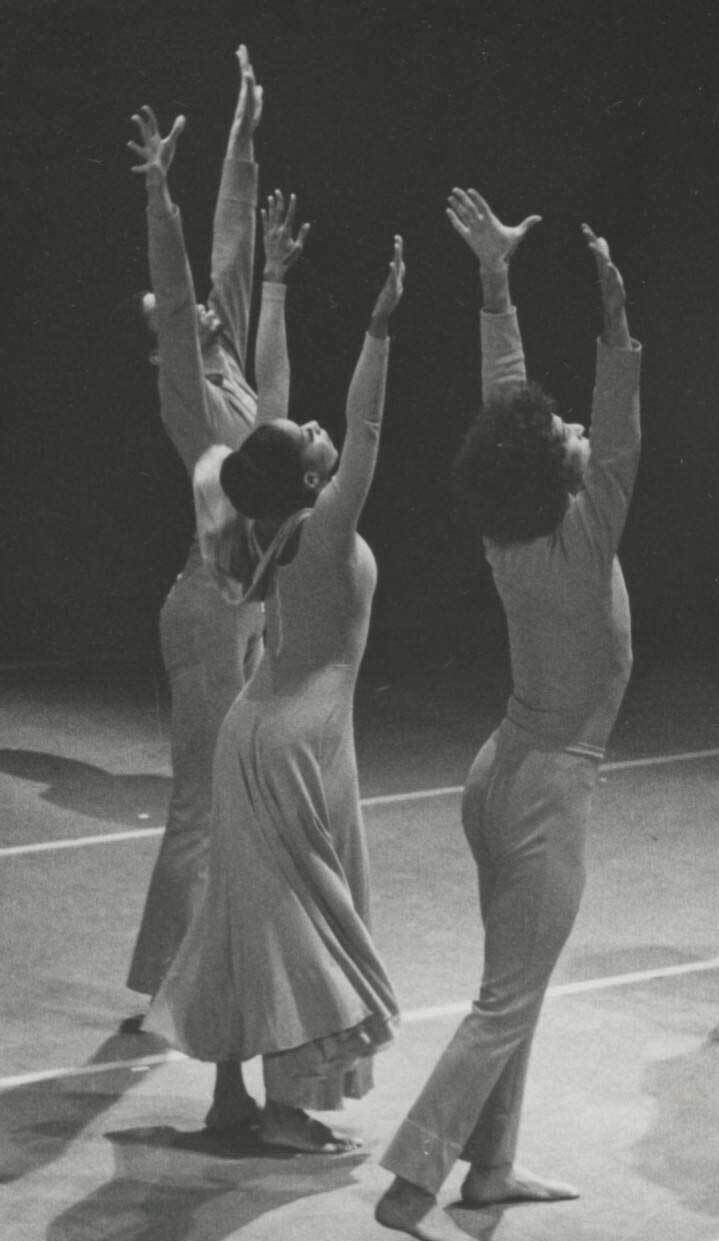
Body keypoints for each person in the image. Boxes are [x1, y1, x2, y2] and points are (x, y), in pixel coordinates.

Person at [374, 191, 642, 1241]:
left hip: (503, 774)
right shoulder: (584, 535)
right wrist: (614, 319)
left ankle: (490, 1163)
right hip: (541, 794)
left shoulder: (513, 526)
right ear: (561, 471)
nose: (572, 426)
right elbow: (612, 423)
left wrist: (495, 282)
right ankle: (409, 1184)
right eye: (562, 433)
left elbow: (507, 405)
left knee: (515, 989)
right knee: (504, 998)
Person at [146, 104, 405, 1152]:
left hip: (285, 725)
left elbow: (282, 394)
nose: (310, 426)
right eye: (307, 438)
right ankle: (282, 1102)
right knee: (289, 920)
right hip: (289, 737)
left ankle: (229, 1100)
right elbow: (369, 425)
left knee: (253, 915)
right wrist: (383, 328)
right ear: (310, 475)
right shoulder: (323, 522)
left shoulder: (280, 502)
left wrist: (278, 279)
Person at [127, 47, 303, 1002]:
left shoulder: (231, 363)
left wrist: (243, 134)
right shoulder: (189, 398)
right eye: (176, 307)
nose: (192, 303)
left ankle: (203, 966)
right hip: (204, 613)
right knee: (197, 802)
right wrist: (159, 200)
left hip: (244, 608)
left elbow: (230, 244)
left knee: (235, 797)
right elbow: (188, 267)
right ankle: (164, 987)